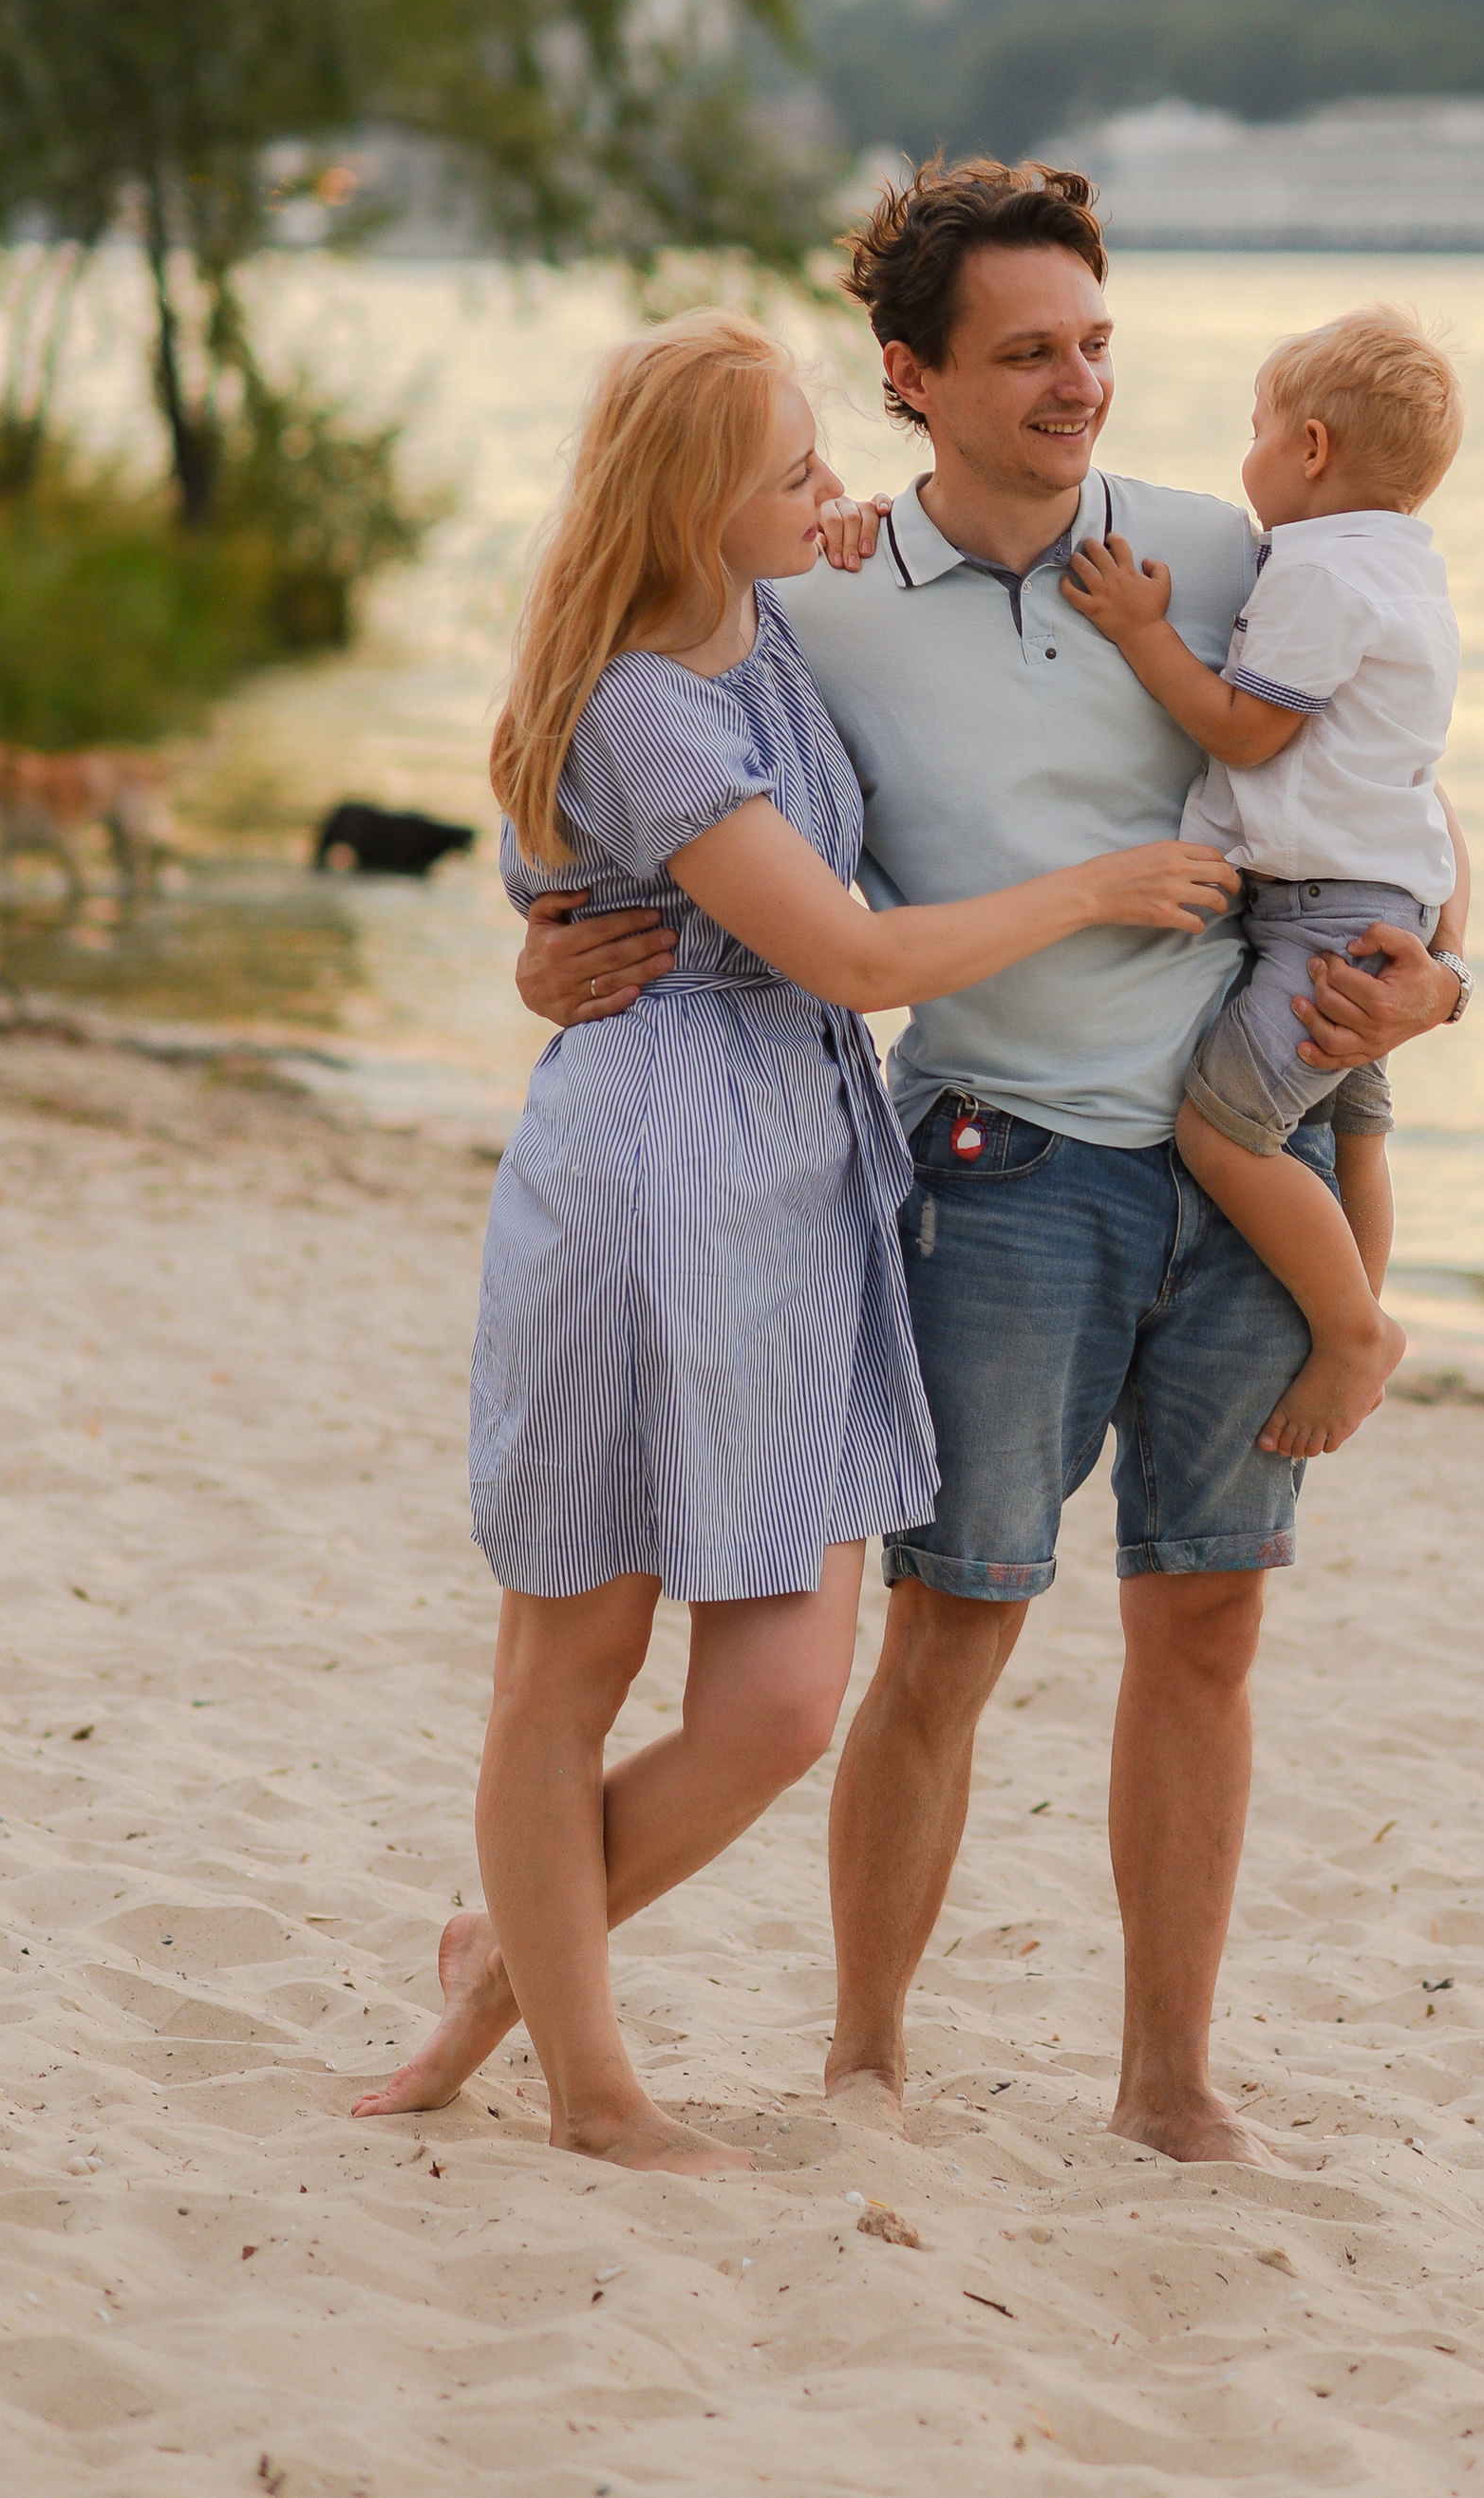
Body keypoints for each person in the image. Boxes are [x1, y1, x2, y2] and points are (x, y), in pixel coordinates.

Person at [513, 161, 1475, 2168]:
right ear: (908, 378)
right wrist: (549, 933)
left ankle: (1168, 2082)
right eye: (1026, 353)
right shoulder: (816, 592)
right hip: (997, 1166)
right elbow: (622, 732)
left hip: (1235, 1156)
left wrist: (1435, 985)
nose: (1076, 387)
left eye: (1097, 346)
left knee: (1206, 1628)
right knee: (956, 1624)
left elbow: (1402, 799)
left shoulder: (1229, 551)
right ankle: (866, 2056)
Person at [354, 309, 1236, 2175]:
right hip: (653, 1165)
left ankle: (499, 1944)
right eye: (795, 473)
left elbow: (829, 662)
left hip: (801, 1176)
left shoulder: (757, 623)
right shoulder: (638, 700)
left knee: (772, 1708)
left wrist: (821, 547)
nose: (832, 497)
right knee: (569, 1656)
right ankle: (591, 2089)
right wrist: (1095, 888)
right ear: (694, 504)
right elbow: (840, 954)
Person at [1059, 306, 1466, 1459]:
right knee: (1351, 1131)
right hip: (1383, 905)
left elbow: (1243, 733)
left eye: (1255, 429)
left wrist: (1144, 631)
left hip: (1321, 915)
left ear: (1312, 449)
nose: (1247, 458)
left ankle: (1351, 1332)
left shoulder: (1319, 574)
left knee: (1221, 1133)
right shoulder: (1406, 571)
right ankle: (1354, 1322)